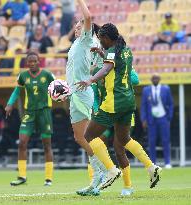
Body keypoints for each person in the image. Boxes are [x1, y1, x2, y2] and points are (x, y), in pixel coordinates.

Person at [76, 23, 162, 196]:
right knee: (124, 139)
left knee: (88, 135)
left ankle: (111, 170)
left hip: (114, 101)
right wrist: (102, 53)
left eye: (101, 39)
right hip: (129, 101)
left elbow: (107, 68)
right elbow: (116, 64)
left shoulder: (111, 51)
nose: (100, 42)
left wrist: (90, 80)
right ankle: (151, 167)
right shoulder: (126, 49)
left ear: (108, 38)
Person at [65, 0, 121, 196]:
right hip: (77, 92)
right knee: (80, 137)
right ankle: (97, 176)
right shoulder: (77, 45)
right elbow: (87, 69)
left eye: (79, 25)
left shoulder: (86, 39)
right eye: (76, 25)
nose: (77, 26)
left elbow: (88, 17)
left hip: (82, 93)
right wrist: (66, 89)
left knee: (87, 136)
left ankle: (109, 170)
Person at [5, 51, 55, 186]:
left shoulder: (47, 75)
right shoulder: (23, 76)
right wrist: (10, 103)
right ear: (27, 63)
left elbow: (58, 87)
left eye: (34, 61)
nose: (32, 63)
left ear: (39, 61)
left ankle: (48, 178)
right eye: (29, 61)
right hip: (30, 113)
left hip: (44, 113)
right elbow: (17, 91)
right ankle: (22, 176)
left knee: (47, 145)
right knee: (22, 143)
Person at [141, 73, 174, 169]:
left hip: (163, 117)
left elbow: (171, 104)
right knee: (151, 141)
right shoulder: (146, 90)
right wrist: (143, 119)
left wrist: (169, 117)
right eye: (153, 78)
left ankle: (167, 162)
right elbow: (143, 106)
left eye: (156, 78)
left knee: (165, 140)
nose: (155, 79)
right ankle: (152, 163)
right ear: (151, 80)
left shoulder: (166, 89)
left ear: (159, 79)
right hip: (151, 119)